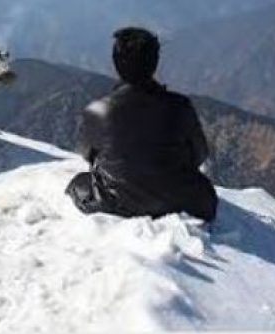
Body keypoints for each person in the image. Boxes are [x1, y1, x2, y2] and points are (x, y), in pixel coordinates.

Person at [64, 27, 218, 222]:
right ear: (155, 62)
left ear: (116, 63)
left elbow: (88, 153)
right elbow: (199, 153)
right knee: (203, 190)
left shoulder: (98, 111)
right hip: (179, 198)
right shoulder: (179, 106)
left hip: (116, 201)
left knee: (79, 185)